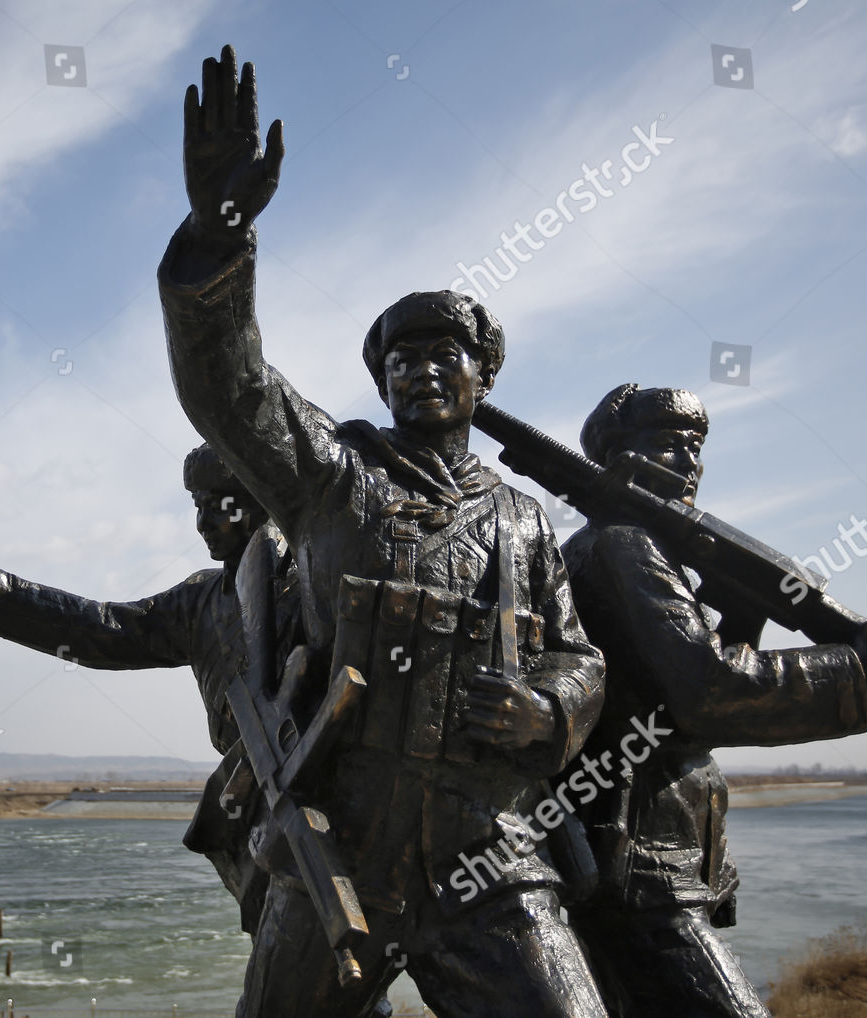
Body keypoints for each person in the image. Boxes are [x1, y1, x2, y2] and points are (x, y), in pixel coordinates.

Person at [158, 45, 611, 1018]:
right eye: (399, 359)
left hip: (488, 856)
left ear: (482, 377)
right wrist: (216, 233)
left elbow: (579, 656)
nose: (420, 370)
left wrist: (548, 709)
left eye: (443, 351)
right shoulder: (331, 477)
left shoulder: (524, 520)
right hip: (339, 856)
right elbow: (230, 392)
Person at [559, 383, 867, 1018]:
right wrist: (864, 668)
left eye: (695, 448)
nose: (685, 462)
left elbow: (679, 693)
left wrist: (742, 614)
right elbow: (712, 694)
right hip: (637, 857)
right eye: (665, 445)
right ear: (618, 459)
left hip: (658, 849)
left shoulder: (642, 547)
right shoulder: (623, 543)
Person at [0, 444, 293, 935]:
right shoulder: (201, 601)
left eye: (212, 505)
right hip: (259, 807)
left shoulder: (308, 582)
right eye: (195, 507)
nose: (200, 523)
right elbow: (108, 628)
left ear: (252, 500)